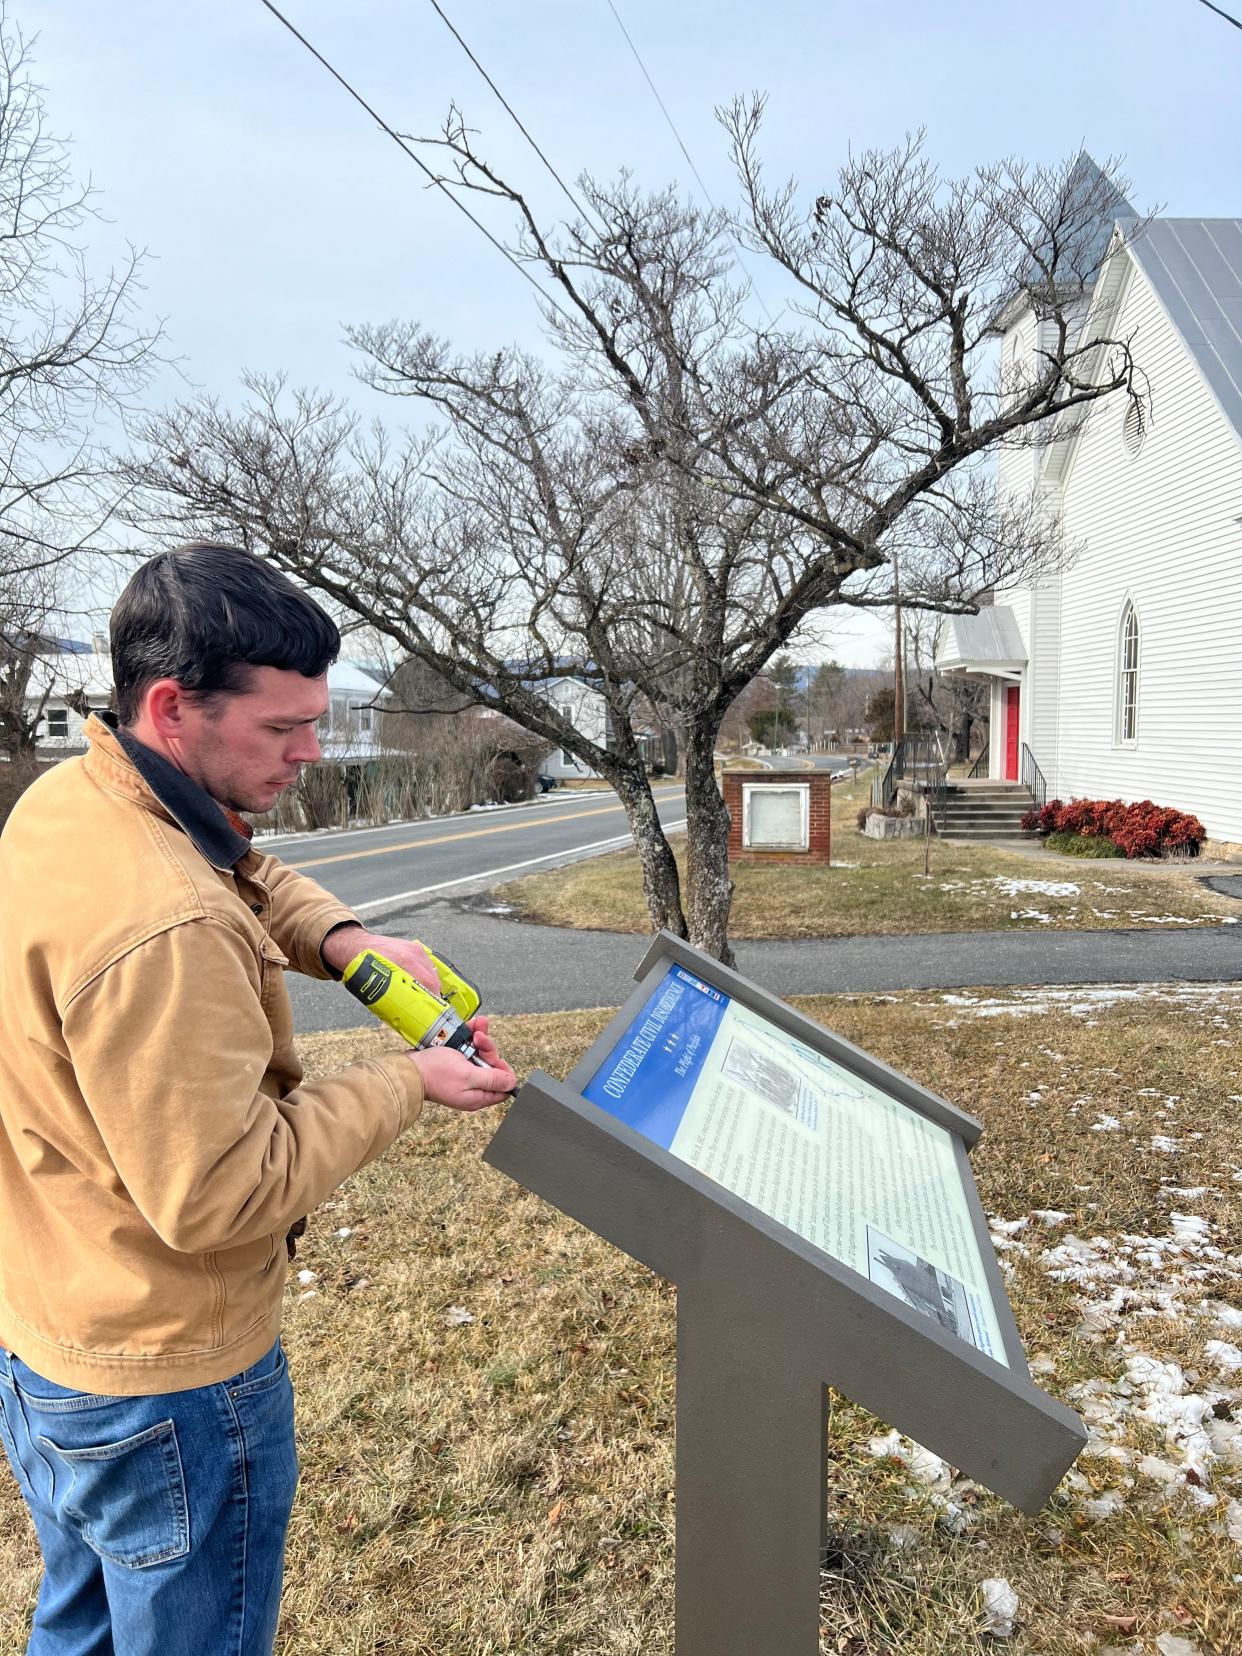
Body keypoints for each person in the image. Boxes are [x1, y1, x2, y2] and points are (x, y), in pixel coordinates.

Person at [0, 542, 517, 1655]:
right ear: (174, 705)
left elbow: (235, 862)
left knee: (79, 1626)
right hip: (169, 1388)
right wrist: (407, 1082)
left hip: (52, 1335)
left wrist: (345, 940)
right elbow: (218, 1191)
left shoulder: (77, 799)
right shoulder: (167, 928)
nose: (311, 753)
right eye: (284, 729)